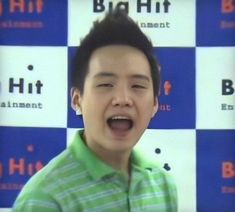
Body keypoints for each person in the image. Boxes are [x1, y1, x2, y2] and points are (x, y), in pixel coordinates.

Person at [13, 8, 177, 212]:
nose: (123, 99)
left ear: (154, 104)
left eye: (137, 86)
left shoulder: (163, 185)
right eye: (106, 85)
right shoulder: (44, 198)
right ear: (77, 100)